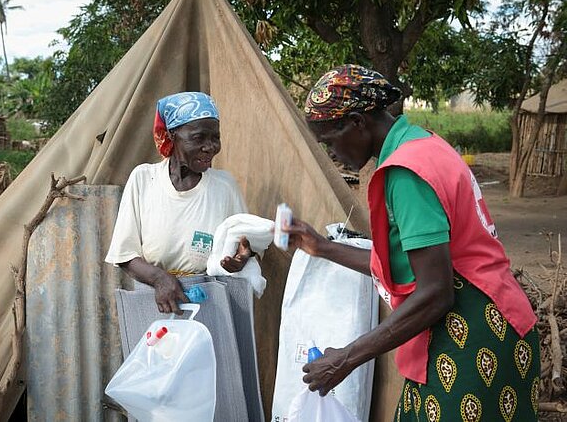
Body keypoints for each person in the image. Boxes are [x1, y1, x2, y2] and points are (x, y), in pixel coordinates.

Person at [288, 65, 540, 421]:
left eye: (329, 141)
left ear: (357, 122)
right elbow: (406, 263)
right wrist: (322, 247)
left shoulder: (406, 173)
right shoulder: (422, 145)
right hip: (491, 323)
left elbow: (435, 291)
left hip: (472, 336)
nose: (332, 154)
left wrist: (346, 358)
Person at [105, 91, 254, 314]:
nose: (210, 147)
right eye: (198, 138)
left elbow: (246, 244)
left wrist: (241, 258)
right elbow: (124, 254)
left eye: (215, 137)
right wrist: (159, 279)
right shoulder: (145, 179)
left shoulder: (224, 186)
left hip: (211, 304)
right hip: (157, 302)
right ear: (172, 136)